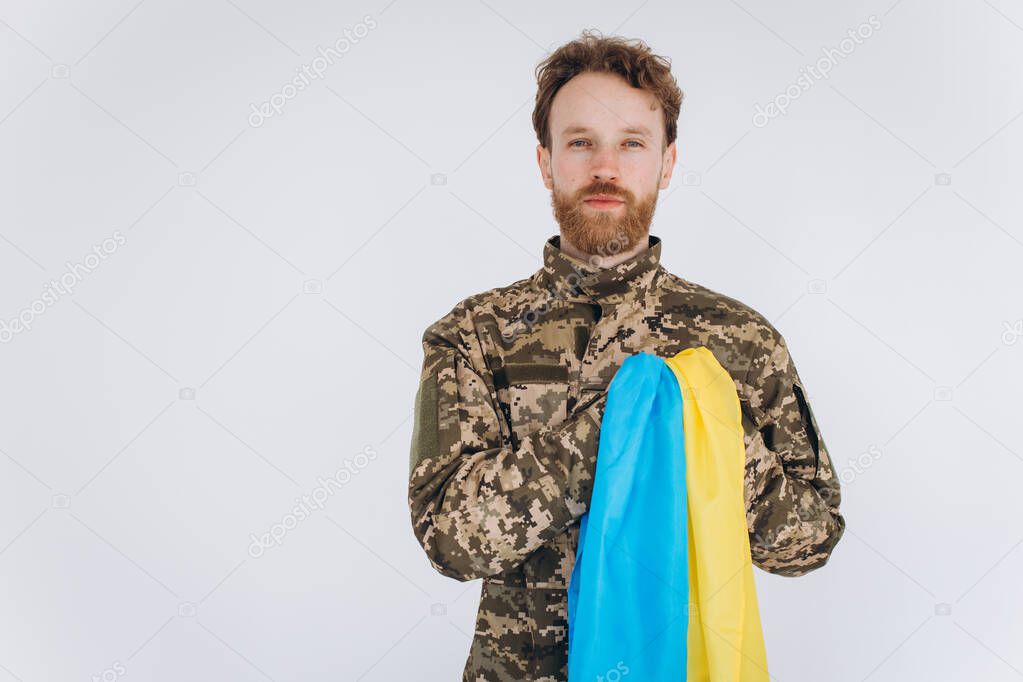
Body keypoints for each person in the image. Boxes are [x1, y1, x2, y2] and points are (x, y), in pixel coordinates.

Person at [407, 29, 845, 682]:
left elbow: (808, 543)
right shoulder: (473, 335)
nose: (604, 167)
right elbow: (452, 542)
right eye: (580, 142)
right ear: (545, 161)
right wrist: (623, 422)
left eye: (630, 144)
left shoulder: (740, 340)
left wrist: (706, 424)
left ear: (666, 162)